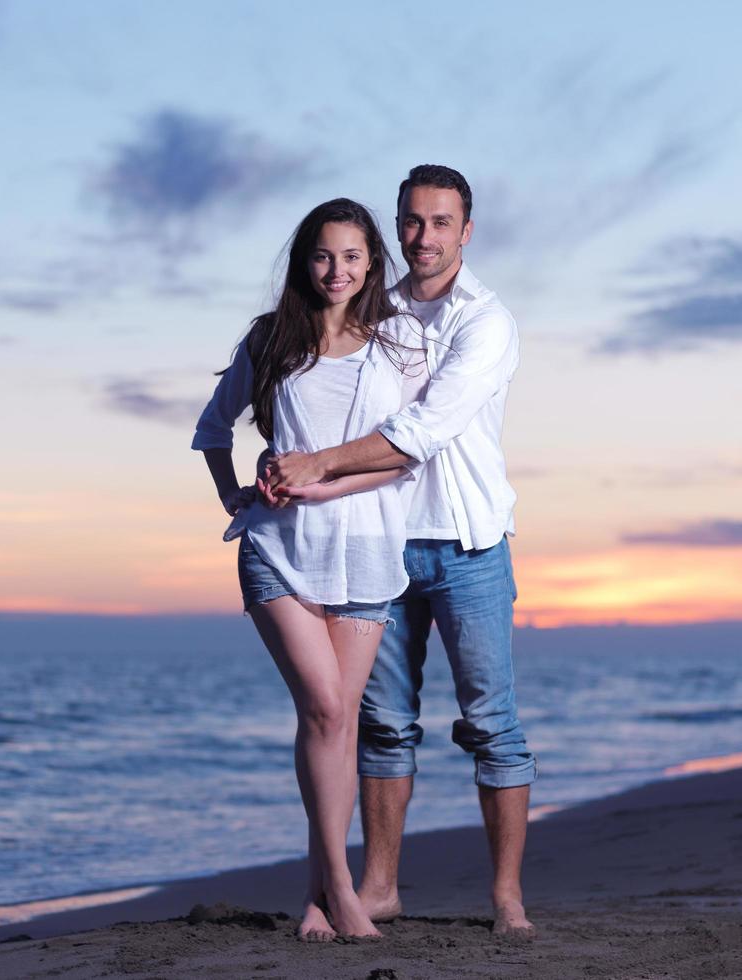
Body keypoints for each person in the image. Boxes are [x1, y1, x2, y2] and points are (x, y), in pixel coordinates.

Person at [265, 165, 538, 938]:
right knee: (382, 722)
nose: (423, 238)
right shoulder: (368, 315)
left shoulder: (486, 321)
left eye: (440, 223)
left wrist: (317, 466)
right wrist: (275, 463)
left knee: (491, 723)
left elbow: (422, 430)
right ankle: (378, 886)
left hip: (466, 542)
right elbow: (312, 394)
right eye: (411, 222)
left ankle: (506, 898)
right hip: (374, 541)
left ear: (465, 231)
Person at [192, 198, 424, 941]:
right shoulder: (270, 339)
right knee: (326, 709)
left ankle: (319, 895)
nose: (337, 271)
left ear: (371, 263)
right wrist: (234, 492)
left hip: (364, 551)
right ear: (304, 261)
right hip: (278, 550)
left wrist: (324, 483)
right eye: (324, 256)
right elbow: (210, 429)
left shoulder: (399, 344)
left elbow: (405, 456)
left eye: (352, 257)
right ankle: (342, 893)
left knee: (335, 723)